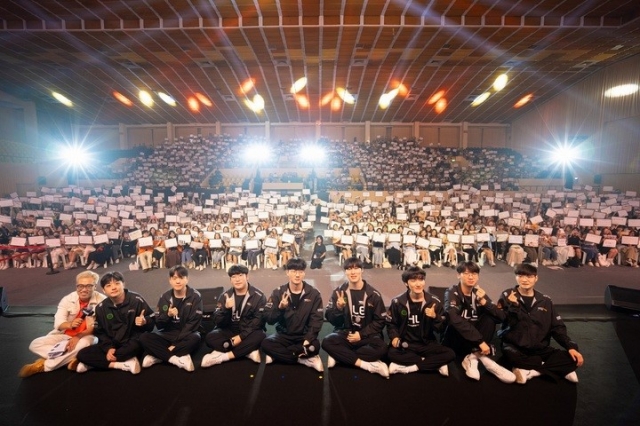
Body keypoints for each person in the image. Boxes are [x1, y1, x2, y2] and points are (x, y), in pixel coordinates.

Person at [498, 263, 584, 384]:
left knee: (572, 358)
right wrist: (514, 307)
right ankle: (557, 369)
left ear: (536, 278)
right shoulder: (507, 295)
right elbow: (506, 322)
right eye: (521, 275)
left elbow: (557, 327)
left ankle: (532, 372)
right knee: (511, 356)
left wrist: (570, 346)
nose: (525, 279)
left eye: (529, 276)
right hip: (515, 347)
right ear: (516, 277)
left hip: (539, 348)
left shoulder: (545, 300)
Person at [19, 271, 106, 377]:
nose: (83, 289)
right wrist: (69, 325)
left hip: (86, 336)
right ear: (76, 286)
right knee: (35, 344)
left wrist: (79, 335)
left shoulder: (102, 301)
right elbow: (58, 322)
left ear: (95, 286)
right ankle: (70, 358)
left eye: (88, 286)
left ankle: (45, 365)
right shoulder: (68, 299)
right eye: (80, 286)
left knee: (87, 343)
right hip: (65, 336)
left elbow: (98, 328)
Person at [442, 262, 516, 383]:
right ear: (458, 275)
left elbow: (502, 317)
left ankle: (473, 357)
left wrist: (485, 303)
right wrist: (480, 341)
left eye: (474, 274)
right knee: (454, 321)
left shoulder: (479, 292)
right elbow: (453, 317)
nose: (471, 277)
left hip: (473, 342)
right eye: (466, 273)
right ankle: (482, 357)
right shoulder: (452, 291)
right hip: (455, 340)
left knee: (490, 318)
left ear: (478, 276)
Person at [76, 271, 155, 374]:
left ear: (123, 284)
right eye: (108, 285)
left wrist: (145, 321)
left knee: (136, 346)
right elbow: (100, 332)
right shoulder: (101, 308)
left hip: (133, 342)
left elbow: (152, 322)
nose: (113, 288)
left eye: (117, 283)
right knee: (81, 354)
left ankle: (95, 363)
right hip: (114, 343)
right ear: (104, 290)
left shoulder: (136, 300)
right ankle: (121, 364)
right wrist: (109, 348)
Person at [322, 257, 389, 378]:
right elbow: (331, 320)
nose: (352, 272)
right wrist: (338, 308)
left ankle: (340, 356)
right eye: (349, 269)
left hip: (366, 336)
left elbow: (380, 321)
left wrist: (361, 334)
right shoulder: (339, 292)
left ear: (362, 270)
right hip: (345, 334)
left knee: (382, 348)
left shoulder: (373, 294)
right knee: (327, 342)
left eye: (356, 268)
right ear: (345, 271)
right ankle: (367, 365)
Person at [386, 266, 454, 376]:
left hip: (426, 343)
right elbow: (391, 324)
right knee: (390, 354)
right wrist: (394, 336)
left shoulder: (434, 301)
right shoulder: (397, 302)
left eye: (421, 279)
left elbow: (441, 329)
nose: (418, 284)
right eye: (413, 280)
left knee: (450, 354)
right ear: (406, 283)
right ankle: (434, 363)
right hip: (406, 343)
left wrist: (435, 317)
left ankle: (410, 368)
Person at [261, 258, 324, 372]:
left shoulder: (314, 293)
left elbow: (317, 320)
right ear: (287, 272)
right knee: (266, 344)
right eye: (294, 271)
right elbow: (269, 319)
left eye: (300, 271)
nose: (297, 275)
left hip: (303, 336)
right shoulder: (278, 292)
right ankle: (303, 359)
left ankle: (280, 355)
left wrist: (308, 338)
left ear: (304, 273)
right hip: (284, 335)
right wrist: (280, 309)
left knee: (314, 346)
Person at [139, 265, 203, 372]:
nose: (178, 281)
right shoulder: (164, 297)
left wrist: (175, 344)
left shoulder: (195, 296)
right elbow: (159, 324)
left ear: (187, 279)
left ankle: (158, 356)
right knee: (144, 338)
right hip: (168, 333)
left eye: (181, 278)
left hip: (186, 333)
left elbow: (193, 323)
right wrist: (167, 316)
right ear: (170, 280)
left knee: (196, 338)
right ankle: (177, 359)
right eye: (174, 278)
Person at [201, 264, 266, 367]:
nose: (237, 279)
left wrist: (241, 337)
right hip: (229, 330)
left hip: (248, 332)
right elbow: (217, 321)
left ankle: (223, 356)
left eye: (240, 275)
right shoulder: (225, 296)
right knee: (210, 337)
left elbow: (258, 321)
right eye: (233, 277)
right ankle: (247, 351)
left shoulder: (259, 296)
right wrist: (226, 309)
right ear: (230, 280)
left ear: (247, 276)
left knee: (260, 336)